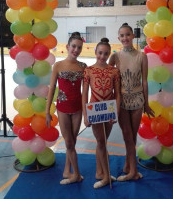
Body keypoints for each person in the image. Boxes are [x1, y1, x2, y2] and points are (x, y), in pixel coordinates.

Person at [109, 23, 154, 182]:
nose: (125, 38)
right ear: (118, 38)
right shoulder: (115, 57)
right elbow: (107, 78)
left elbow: (145, 82)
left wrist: (146, 104)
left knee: (132, 135)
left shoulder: (142, 56)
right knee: (126, 134)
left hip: (137, 99)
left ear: (133, 36)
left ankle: (130, 167)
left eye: (127, 34)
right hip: (121, 100)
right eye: (122, 35)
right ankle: (131, 169)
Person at [46, 32, 86, 185]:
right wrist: (47, 111)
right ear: (67, 47)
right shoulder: (58, 65)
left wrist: (86, 110)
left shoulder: (83, 67)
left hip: (77, 109)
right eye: (74, 46)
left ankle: (66, 169)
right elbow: (51, 89)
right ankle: (76, 173)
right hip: (62, 108)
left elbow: (85, 92)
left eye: (79, 47)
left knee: (72, 142)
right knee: (69, 143)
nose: (76, 49)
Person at [82, 38, 120, 189]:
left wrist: (115, 112)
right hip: (95, 110)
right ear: (95, 52)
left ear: (109, 54)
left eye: (106, 54)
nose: (102, 56)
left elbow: (117, 94)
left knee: (103, 142)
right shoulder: (89, 70)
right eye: (100, 53)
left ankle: (100, 172)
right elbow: (84, 94)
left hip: (109, 110)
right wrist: (85, 115)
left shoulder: (114, 71)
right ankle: (105, 175)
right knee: (101, 142)